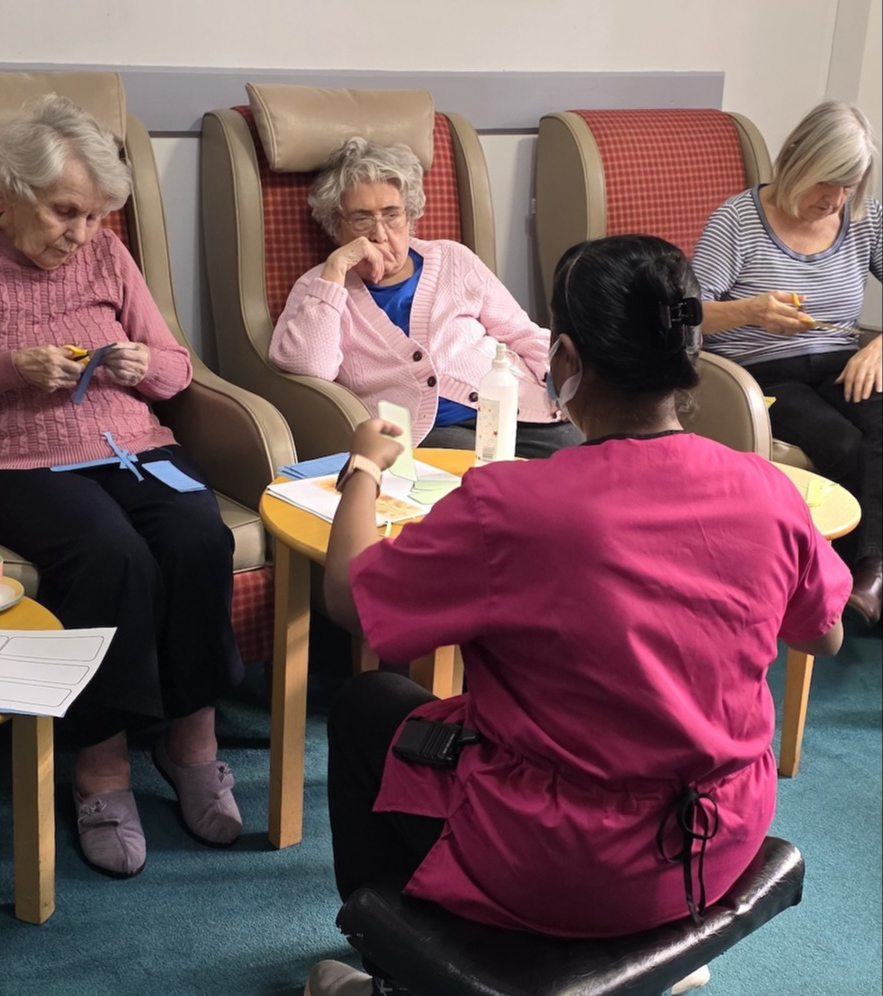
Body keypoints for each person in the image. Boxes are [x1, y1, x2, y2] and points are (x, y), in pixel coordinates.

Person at [303, 235, 852, 996]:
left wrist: (363, 466)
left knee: (371, 704)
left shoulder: (512, 507)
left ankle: (399, 976)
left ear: (563, 358)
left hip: (568, 865)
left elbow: (350, 600)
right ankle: (660, 947)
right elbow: (824, 634)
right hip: (718, 837)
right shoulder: (767, 488)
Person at [0, 95, 244, 878]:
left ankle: (191, 742)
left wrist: (143, 363)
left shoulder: (108, 255)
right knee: (109, 555)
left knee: (200, 534)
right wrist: (6, 369)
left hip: (133, 447)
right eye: (66, 211)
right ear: (13, 190)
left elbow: (176, 368)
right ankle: (100, 766)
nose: (82, 233)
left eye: (96, 216)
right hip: (14, 464)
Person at [268, 136, 583, 458]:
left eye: (392, 215)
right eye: (362, 219)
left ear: (410, 216)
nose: (379, 234)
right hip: (431, 431)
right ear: (336, 227)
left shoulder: (453, 259)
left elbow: (521, 333)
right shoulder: (318, 287)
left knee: (585, 457)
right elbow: (311, 370)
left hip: (516, 408)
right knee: (486, 473)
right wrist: (335, 270)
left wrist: (559, 387)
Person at [692, 100, 882, 628]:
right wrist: (749, 311)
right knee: (843, 443)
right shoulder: (738, 220)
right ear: (796, 157)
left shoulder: (862, 217)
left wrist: (879, 346)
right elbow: (685, 313)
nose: (835, 200)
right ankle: (842, 585)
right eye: (827, 183)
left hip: (843, 362)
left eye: (849, 186)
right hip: (763, 372)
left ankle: (871, 576)